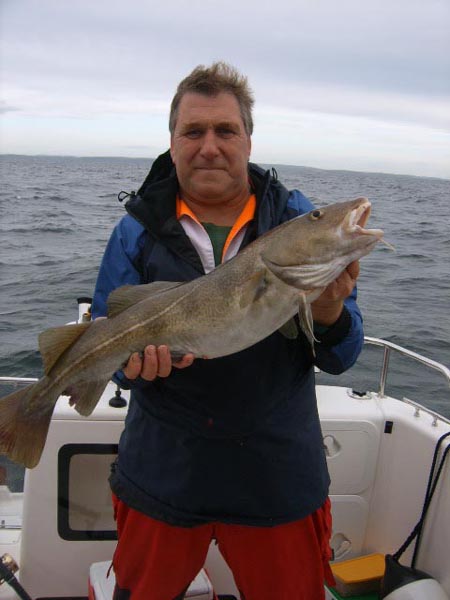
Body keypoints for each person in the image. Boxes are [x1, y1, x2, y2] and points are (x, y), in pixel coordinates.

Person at [91, 62, 364, 600]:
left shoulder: (296, 220)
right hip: (164, 470)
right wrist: (133, 370)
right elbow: (113, 344)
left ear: (248, 140)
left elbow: (343, 354)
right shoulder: (136, 230)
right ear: (172, 144)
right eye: (193, 132)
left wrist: (330, 311)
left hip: (276, 473)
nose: (209, 146)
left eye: (225, 130)